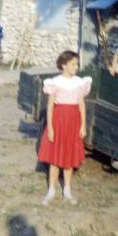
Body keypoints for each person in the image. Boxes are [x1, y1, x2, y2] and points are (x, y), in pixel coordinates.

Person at [38, 50, 92, 205]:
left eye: (77, 64)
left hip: (73, 122)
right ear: (64, 65)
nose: (76, 67)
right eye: (73, 64)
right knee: (55, 157)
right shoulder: (55, 82)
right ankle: (51, 190)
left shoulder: (79, 82)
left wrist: (83, 125)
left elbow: (81, 105)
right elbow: (50, 106)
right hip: (58, 121)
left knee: (69, 156)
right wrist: (51, 128)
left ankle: (67, 189)